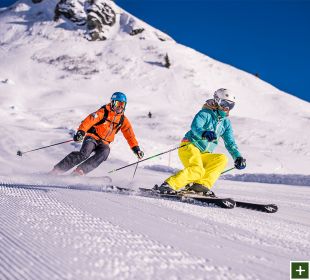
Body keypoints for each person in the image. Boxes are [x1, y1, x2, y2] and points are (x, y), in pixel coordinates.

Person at [155, 88, 246, 195]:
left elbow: (230, 142)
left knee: (221, 159)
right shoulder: (205, 113)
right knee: (197, 170)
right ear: (217, 101)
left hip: (204, 153)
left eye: (230, 105)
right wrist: (203, 133)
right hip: (190, 146)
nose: (227, 108)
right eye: (224, 103)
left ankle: (200, 186)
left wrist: (237, 157)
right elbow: (195, 127)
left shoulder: (226, 123)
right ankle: (169, 185)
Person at [50, 92, 144, 175]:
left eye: (122, 105)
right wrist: (81, 132)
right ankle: (58, 170)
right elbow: (88, 121)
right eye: (117, 104)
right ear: (112, 103)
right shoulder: (103, 112)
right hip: (92, 137)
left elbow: (130, 135)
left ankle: (80, 171)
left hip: (105, 143)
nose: (120, 107)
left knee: (105, 152)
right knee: (84, 153)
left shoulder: (123, 120)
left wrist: (136, 149)